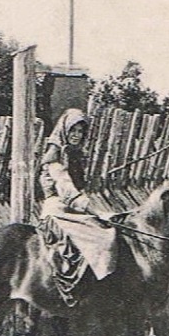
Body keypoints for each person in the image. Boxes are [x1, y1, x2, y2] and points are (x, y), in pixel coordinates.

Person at [38, 108, 117, 282]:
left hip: (72, 210)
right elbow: (68, 192)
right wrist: (98, 212)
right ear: (64, 130)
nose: (76, 135)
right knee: (102, 237)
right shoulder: (54, 158)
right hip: (58, 211)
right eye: (73, 130)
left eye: (80, 131)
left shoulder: (74, 155)